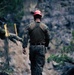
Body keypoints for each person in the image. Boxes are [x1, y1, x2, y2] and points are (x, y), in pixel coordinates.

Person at [22, 10, 50, 75]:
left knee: (33, 65)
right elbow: (48, 38)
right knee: (39, 65)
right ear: (40, 17)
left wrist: (24, 47)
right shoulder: (45, 27)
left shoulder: (29, 26)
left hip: (32, 47)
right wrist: (46, 45)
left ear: (34, 17)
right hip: (41, 47)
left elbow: (25, 37)